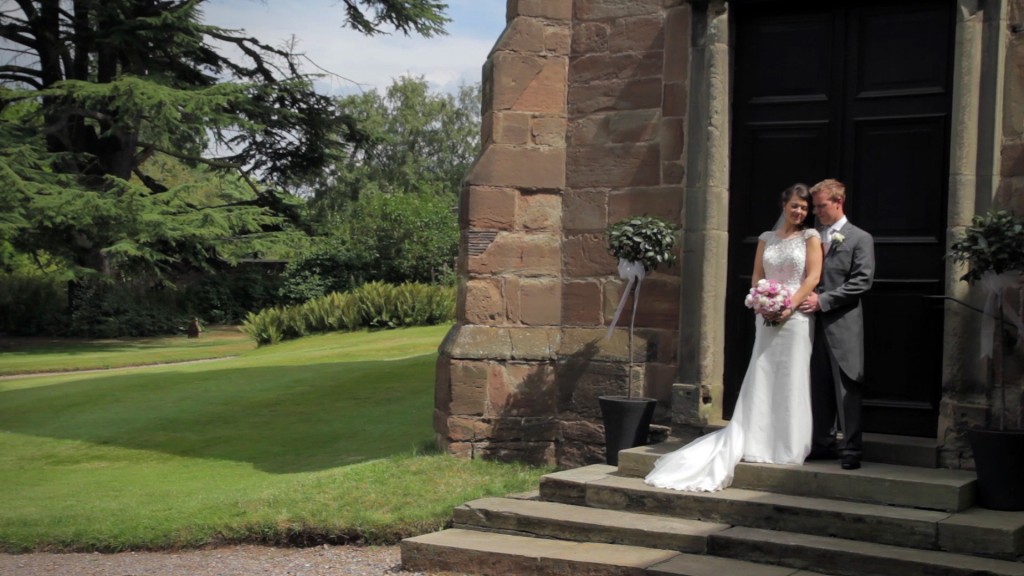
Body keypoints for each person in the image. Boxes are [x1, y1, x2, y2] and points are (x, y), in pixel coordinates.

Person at [645, 183, 823, 492]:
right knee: (763, 374)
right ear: (784, 204)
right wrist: (761, 303)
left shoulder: (811, 237)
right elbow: (757, 276)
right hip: (765, 316)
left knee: (792, 376)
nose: (800, 212)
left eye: (805, 208)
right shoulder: (766, 239)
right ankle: (756, 440)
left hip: (795, 318)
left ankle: (788, 445)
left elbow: (813, 277)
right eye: (795, 205)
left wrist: (789, 305)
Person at [797, 179, 875, 470]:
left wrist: (823, 300)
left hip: (842, 323)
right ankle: (822, 442)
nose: (815, 212)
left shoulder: (859, 238)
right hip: (809, 325)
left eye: (820, 206)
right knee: (817, 386)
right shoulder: (810, 236)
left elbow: (862, 281)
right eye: (814, 206)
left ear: (838, 202)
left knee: (847, 387)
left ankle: (851, 448)